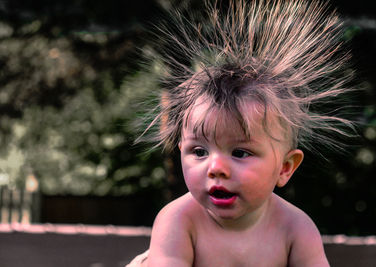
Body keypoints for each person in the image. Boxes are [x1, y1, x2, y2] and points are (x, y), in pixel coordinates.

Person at [128, 0, 355, 266]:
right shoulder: (179, 220)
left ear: (285, 167)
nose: (216, 168)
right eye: (199, 151)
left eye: (240, 152)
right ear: (181, 152)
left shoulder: (296, 229)